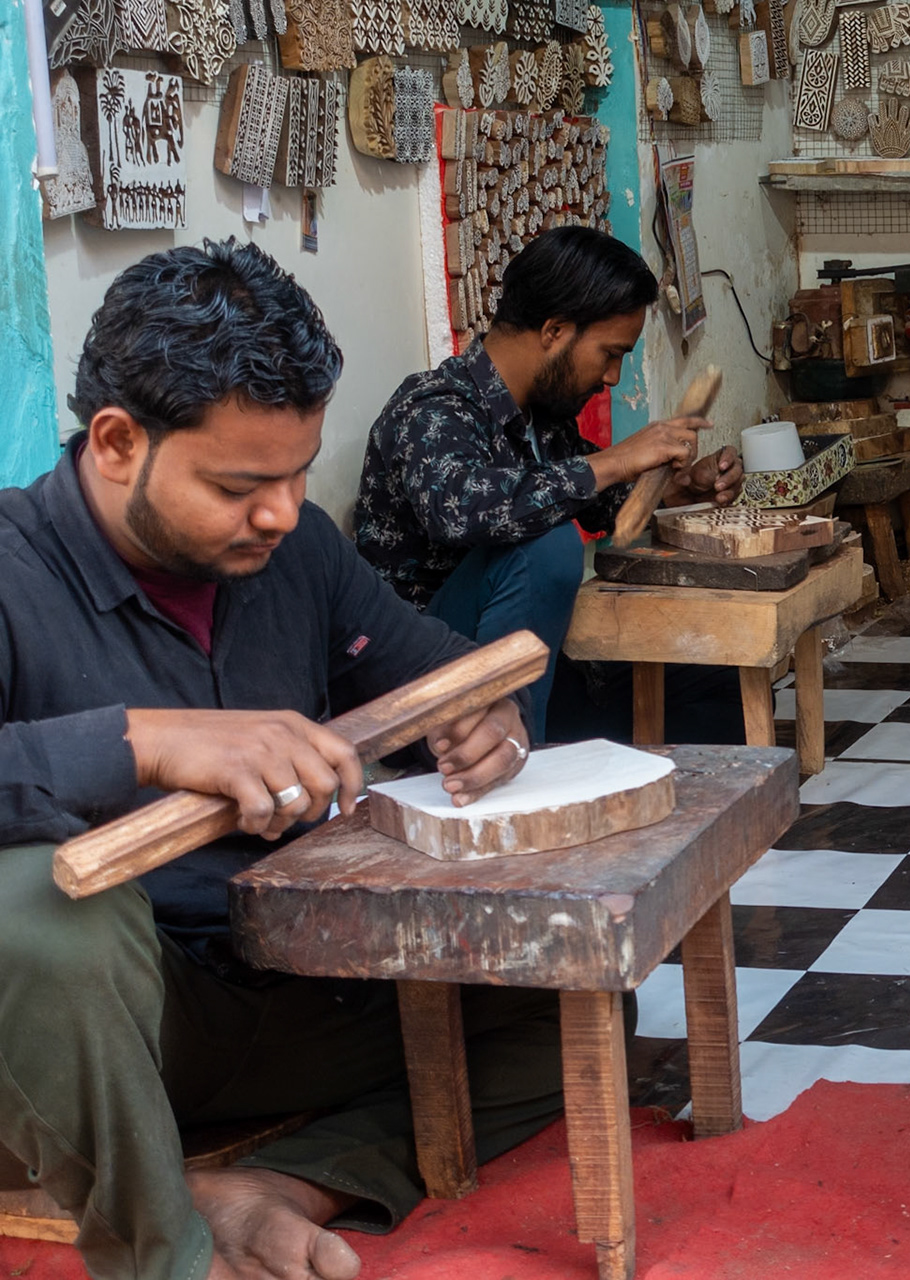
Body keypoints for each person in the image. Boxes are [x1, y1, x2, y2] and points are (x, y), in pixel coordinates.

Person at [0, 240, 567, 1280]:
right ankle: (166, 1251)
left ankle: (274, 1185)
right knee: (34, 913)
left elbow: (447, 671)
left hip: (276, 982)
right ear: (119, 441)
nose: (280, 508)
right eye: (237, 483)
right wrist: (146, 739)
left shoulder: (293, 545)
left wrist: (491, 717)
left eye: (300, 470)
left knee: (571, 999)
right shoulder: (9, 565)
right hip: (84, 1037)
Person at [352, 226, 744, 743]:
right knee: (546, 543)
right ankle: (508, 760)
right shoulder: (432, 408)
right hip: (423, 688)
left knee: (714, 686)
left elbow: (601, 506)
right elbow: (461, 513)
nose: (612, 377)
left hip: (527, 667)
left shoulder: (542, 417)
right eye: (609, 353)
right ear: (555, 330)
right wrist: (617, 458)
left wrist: (677, 490)